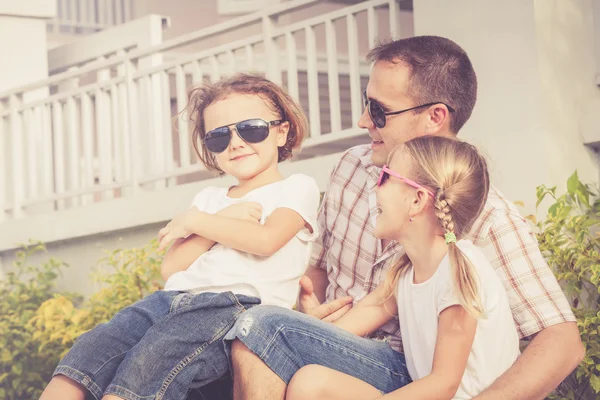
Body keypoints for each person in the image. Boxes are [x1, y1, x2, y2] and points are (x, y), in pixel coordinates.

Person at [227, 36, 584, 400]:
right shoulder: (353, 167)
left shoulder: (488, 217)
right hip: (346, 353)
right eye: (366, 103)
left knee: (262, 331)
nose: (363, 120)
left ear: (435, 117)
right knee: (262, 339)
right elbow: (321, 271)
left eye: (380, 110)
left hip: (411, 377)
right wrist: (312, 323)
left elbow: (562, 342)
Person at [39, 73, 321, 400]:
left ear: (281, 131)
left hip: (235, 307)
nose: (236, 142)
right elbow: (172, 268)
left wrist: (198, 222)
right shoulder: (208, 199)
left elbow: (266, 240)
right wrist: (215, 219)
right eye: (218, 136)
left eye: (251, 128)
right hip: (170, 300)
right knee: (94, 347)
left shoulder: (297, 187)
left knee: (152, 360)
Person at [286, 136, 521, 399]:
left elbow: (443, 384)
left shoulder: (458, 271)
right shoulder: (405, 272)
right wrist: (308, 330)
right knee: (310, 382)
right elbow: (342, 332)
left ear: (417, 200)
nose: (376, 189)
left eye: (385, 177)